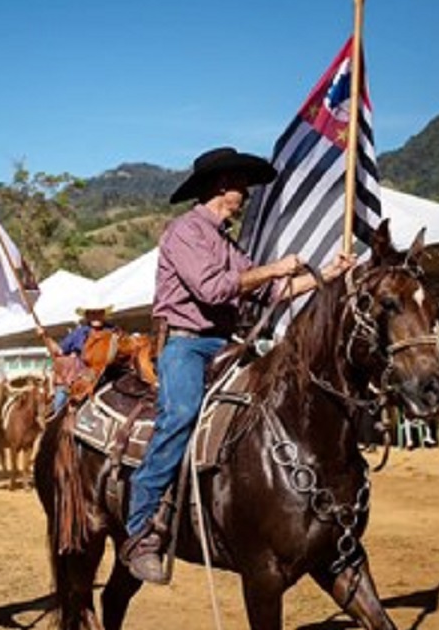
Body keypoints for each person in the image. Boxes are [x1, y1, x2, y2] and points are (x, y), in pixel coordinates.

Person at [120, 146, 355, 584]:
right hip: (187, 346)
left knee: (273, 401)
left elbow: (274, 294)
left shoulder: (228, 242)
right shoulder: (184, 231)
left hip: (225, 344)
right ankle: (140, 532)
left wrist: (327, 272)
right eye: (240, 186)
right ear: (221, 187)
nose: (245, 194)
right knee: (181, 416)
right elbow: (211, 290)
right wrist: (274, 268)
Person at [39, 304, 115, 413]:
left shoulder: (113, 331)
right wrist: (45, 336)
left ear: (104, 314)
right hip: (79, 377)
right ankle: (57, 422)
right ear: (87, 316)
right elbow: (59, 350)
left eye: (99, 313)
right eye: (92, 313)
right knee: (61, 400)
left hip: (108, 375)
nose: (96, 316)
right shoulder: (79, 333)